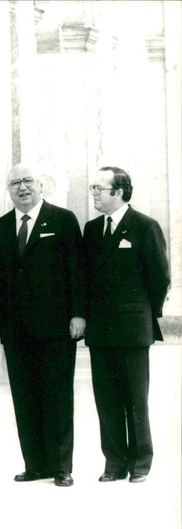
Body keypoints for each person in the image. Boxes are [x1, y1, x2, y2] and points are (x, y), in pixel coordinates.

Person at [0, 163, 85, 487]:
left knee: (57, 396)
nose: (22, 187)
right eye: (15, 183)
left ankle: (61, 466)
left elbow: (77, 271)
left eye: (27, 181)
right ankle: (35, 463)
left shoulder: (63, 220)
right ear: (8, 189)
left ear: (41, 186)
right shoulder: (0, 227)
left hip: (56, 328)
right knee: (24, 397)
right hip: (15, 329)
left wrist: (79, 315)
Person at [83, 167, 170, 483]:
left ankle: (140, 462)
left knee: (136, 399)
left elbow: (160, 278)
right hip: (101, 331)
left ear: (118, 192)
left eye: (99, 188)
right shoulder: (92, 230)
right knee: (106, 399)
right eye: (93, 187)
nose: (94, 193)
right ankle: (115, 463)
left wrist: (145, 313)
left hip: (133, 330)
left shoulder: (145, 226)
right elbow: (85, 279)